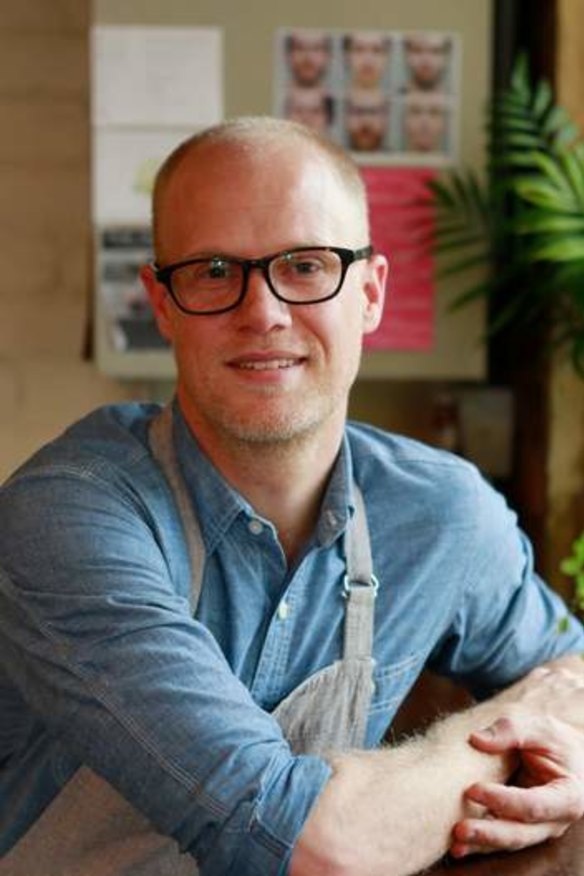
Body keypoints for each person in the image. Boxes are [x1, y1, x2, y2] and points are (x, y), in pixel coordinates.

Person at [1, 117, 584, 876]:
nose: (264, 311)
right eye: (214, 270)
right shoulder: (70, 516)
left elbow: (571, 673)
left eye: (307, 265)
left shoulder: (440, 514)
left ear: (370, 293)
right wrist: (498, 733)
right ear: (161, 303)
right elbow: (311, 844)